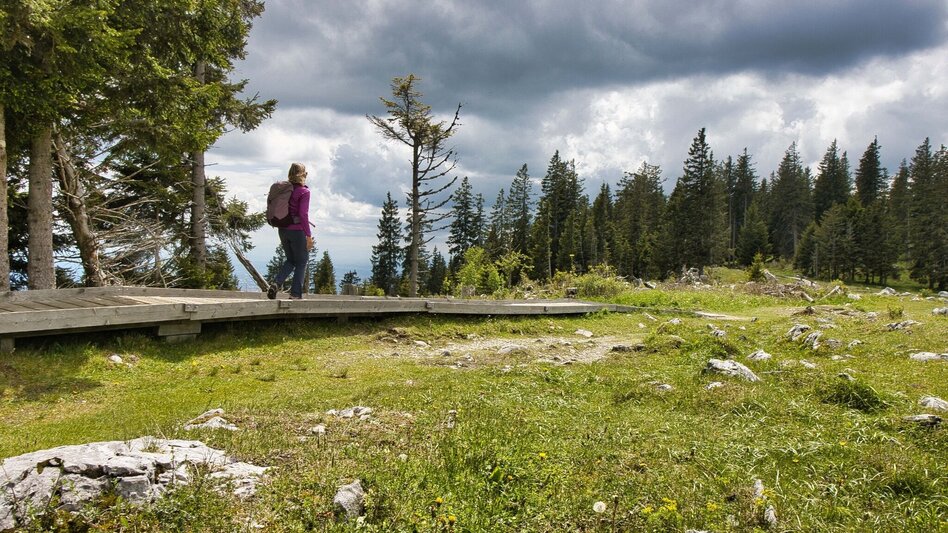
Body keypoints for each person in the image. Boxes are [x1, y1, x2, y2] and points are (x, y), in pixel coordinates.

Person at [268, 163, 313, 299]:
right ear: (303, 174)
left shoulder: (283, 189)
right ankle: (295, 295)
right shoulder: (304, 191)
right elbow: (303, 215)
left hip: (282, 229)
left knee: (291, 260)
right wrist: (308, 236)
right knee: (301, 261)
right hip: (296, 231)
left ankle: (276, 284)